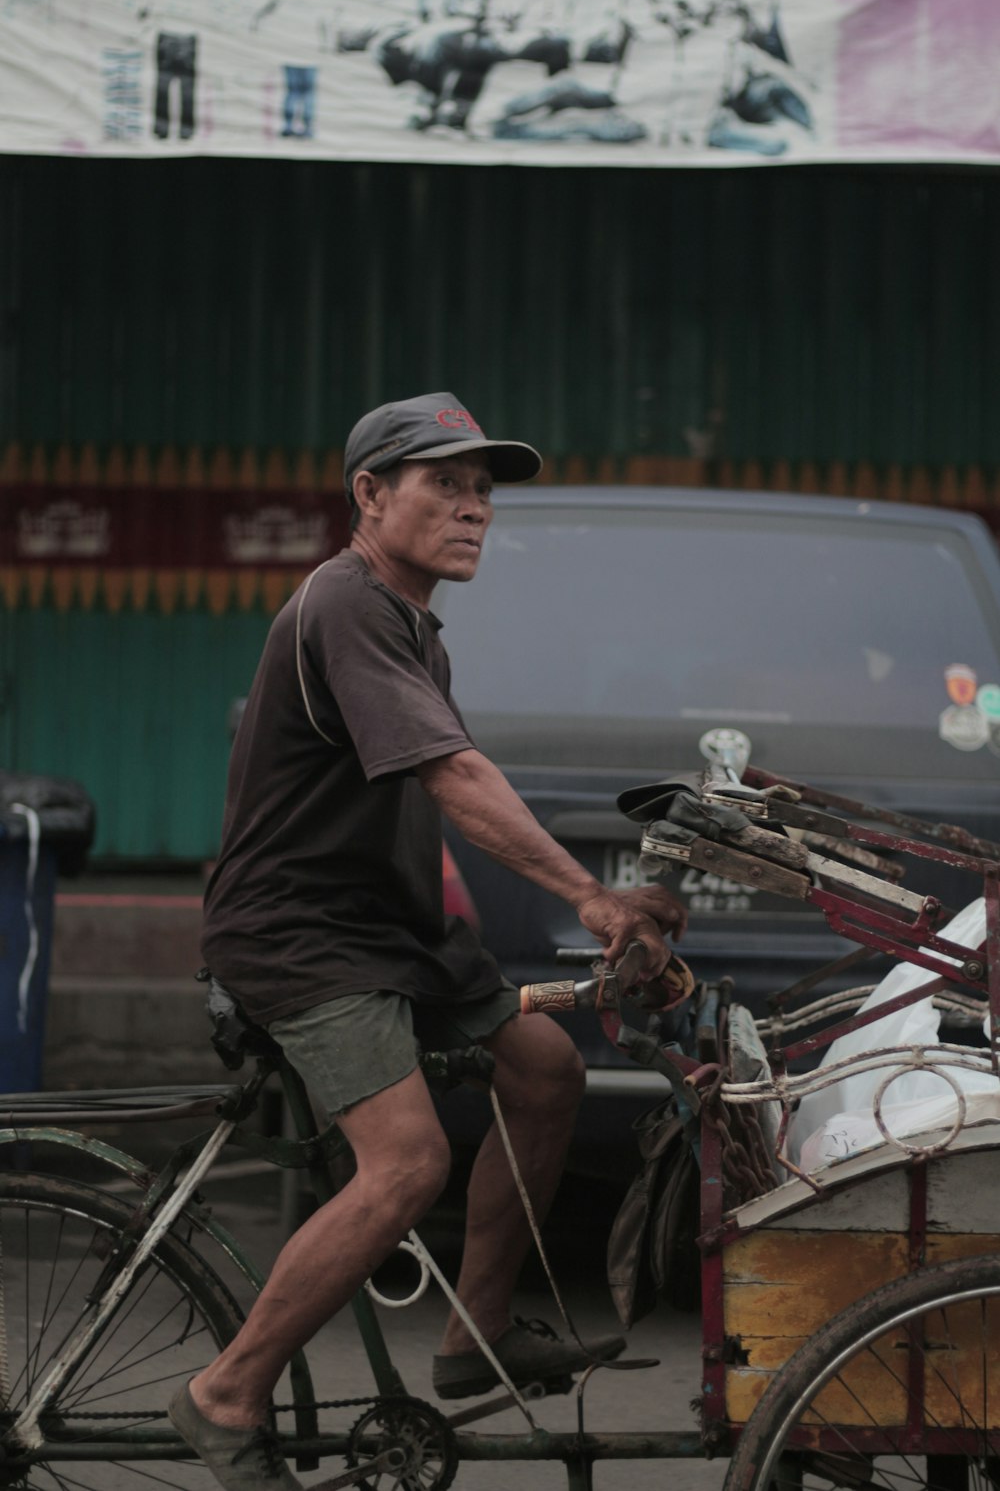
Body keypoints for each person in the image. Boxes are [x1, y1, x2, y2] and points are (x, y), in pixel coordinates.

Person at [169, 391, 687, 1489]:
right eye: (442, 485)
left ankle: (476, 1335)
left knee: (545, 1071)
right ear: (369, 494)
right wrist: (593, 902)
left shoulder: (409, 624)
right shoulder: (345, 604)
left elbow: (434, 787)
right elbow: (457, 779)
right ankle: (225, 1394)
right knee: (407, 1161)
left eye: (483, 491)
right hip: (300, 937)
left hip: (385, 929)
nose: (473, 510)